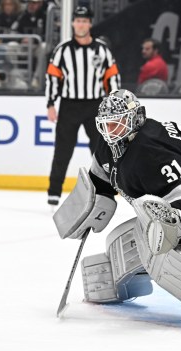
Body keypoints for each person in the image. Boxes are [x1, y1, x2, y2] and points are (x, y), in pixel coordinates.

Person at [54, 89, 181, 334]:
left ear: (135, 118)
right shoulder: (109, 145)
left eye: (116, 124)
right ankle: (121, 281)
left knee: (179, 242)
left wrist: (179, 226)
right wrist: (89, 206)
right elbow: (101, 180)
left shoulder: (151, 147)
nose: (110, 132)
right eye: (105, 125)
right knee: (152, 237)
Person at [45, 5, 120, 207]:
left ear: (90, 24)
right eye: (78, 21)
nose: (81, 24)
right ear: (73, 23)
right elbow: (53, 77)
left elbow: (112, 77)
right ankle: (54, 193)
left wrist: (113, 104)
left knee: (100, 150)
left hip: (95, 105)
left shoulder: (102, 50)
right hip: (69, 105)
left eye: (84, 21)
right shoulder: (62, 50)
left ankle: (105, 191)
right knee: (62, 150)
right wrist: (51, 103)